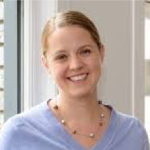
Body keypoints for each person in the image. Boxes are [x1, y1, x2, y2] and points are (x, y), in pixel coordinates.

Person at [0, 10, 149, 150]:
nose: (76, 65)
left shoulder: (133, 133)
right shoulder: (18, 134)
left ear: (101, 53)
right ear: (46, 65)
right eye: (61, 57)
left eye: (85, 51)